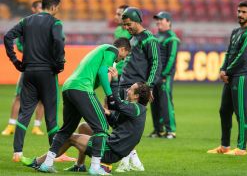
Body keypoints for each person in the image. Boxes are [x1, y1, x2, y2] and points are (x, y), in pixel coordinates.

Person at [22, 68, 151, 175]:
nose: (127, 90)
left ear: (136, 96)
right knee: (84, 126)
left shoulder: (136, 108)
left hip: (110, 150)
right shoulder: (136, 109)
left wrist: (115, 81)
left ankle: (38, 161)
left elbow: (117, 103)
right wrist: (100, 110)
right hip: (114, 147)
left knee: (70, 138)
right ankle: (79, 165)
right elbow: (115, 120)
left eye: (131, 89)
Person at [34, 38, 131, 175]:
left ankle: (47, 164)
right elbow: (103, 72)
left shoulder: (99, 50)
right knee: (102, 127)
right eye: (124, 55)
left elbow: (100, 72)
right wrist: (110, 96)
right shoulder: (112, 50)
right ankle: (95, 167)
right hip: (82, 88)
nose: (122, 59)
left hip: (69, 87)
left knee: (66, 130)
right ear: (122, 49)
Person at [4, 0, 65, 162]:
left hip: (28, 72)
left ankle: (17, 152)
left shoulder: (26, 21)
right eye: (57, 9)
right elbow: (59, 41)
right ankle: (54, 155)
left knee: (25, 112)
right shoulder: (55, 22)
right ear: (53, 7)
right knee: (51, 115)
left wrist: (15, 60)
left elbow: (8, 36)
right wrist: (59, 63)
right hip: (47, 72)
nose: (57, 12)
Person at [114, 7, 161, 172]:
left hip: (135, 88)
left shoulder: (149, 39)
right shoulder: (132, 38)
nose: (126, 27)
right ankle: (133, 159)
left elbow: (155, 63)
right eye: (124, 25)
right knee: (120, 124)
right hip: (124, 84)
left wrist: (148, 87)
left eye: (128, 24)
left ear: (137, 20)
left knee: (126, 127)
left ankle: (125, 162)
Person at [207, 1, 247, 156]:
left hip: (241, 76)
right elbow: (229, 53)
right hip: (231, 75)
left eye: (244, 12)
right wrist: (222, 69)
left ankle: (241, 148)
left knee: (240, 112)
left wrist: (226, 71)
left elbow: (243, 56)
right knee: (224, 111)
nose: (240, 14)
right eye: (239, 11)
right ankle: (225, 146)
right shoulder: (236, 31)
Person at [1, 0, 45, 137]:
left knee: (42, 98)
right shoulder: (26, 23)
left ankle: (37, 126)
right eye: (39, 7)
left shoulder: (49, 24)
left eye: (43, 7)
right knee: (19, 96)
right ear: (33, 8)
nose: (42, 9)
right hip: (29, 65)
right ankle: (11, 125)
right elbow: (18, 43)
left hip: (44, 67)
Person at [149, 11, 180, 139]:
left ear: (169, 22)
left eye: (161, 19)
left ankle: (171, 130)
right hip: (155, 76)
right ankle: (158, 130)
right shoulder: (156, 36)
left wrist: (164, 74)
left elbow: (171, 58)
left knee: (166, 102)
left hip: (164, 77)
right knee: (154, 102)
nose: (158, 22)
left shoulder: (172, 38)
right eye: (157, 20)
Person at [113, 4, 131, 78]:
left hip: (128, 71)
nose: (115, 17)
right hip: (117, 69)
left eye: (119, 14)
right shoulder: (117, 30)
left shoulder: (131, 31)